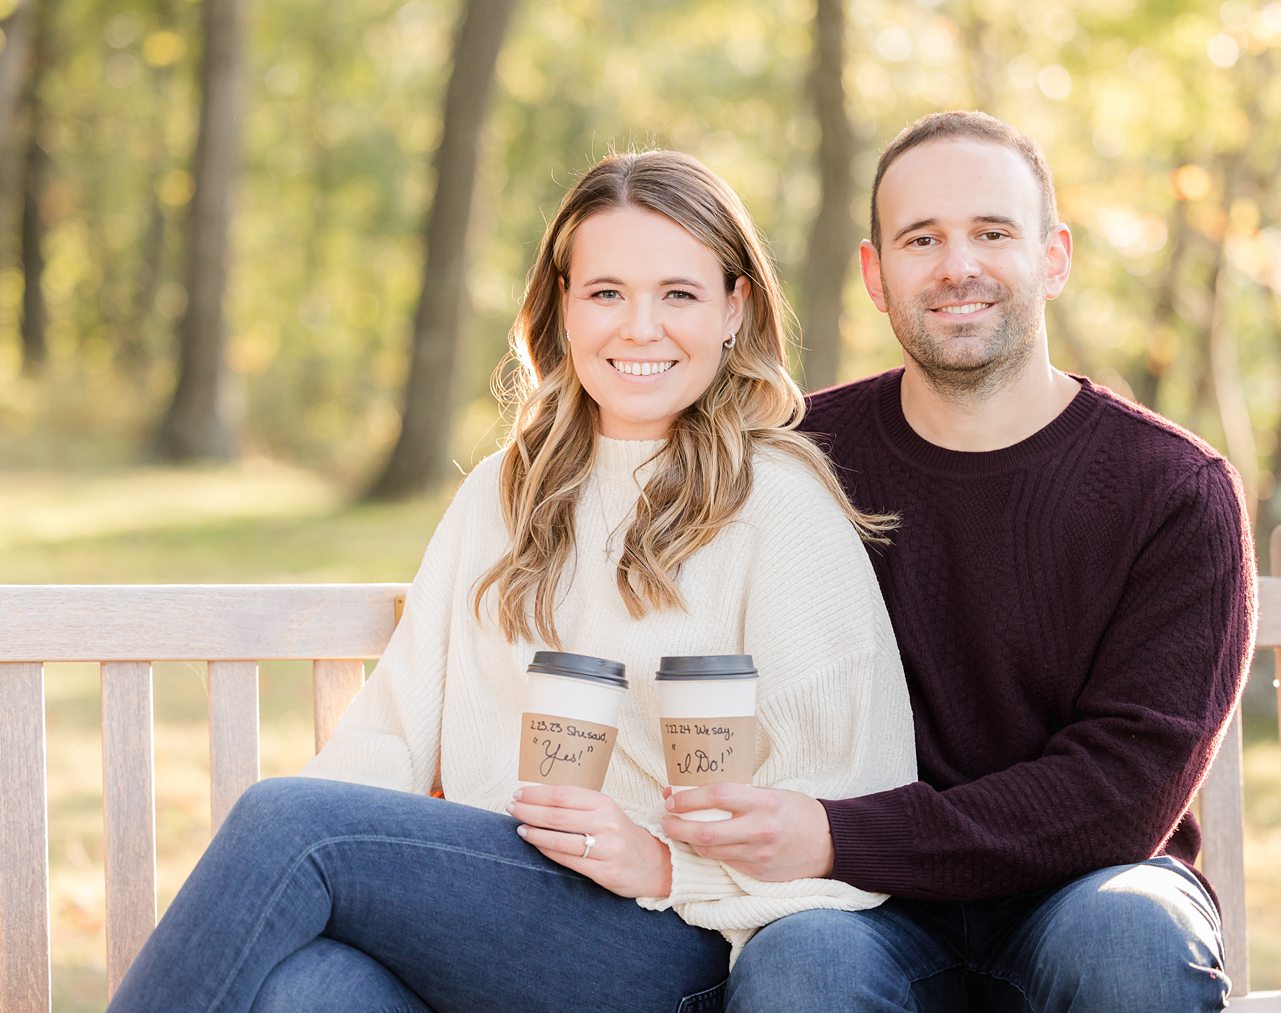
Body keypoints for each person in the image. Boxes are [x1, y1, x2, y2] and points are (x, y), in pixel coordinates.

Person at [109, 150, 917, 1013]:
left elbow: (845, 795)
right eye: (606, 292)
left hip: (685, 945)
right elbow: (390, 735)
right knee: (312, 988)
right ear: (561, 309)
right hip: (504, 913)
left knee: (288, 824)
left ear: (734, 308)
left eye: (677, 293)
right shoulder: (505, 492)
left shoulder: (781, 503)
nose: (640, 327)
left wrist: (667, 861)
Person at [661, 111, 1256, 1011]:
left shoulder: (1173, 489)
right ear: (875, 274)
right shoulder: (793, 459)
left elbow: (1121, 794)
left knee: (1134, 935)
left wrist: (837, 834)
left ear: (1053, 258)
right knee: (803, 966)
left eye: (992, 232)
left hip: (1084, 890)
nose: (957, 266)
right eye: (922, 238)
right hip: (862, 908)